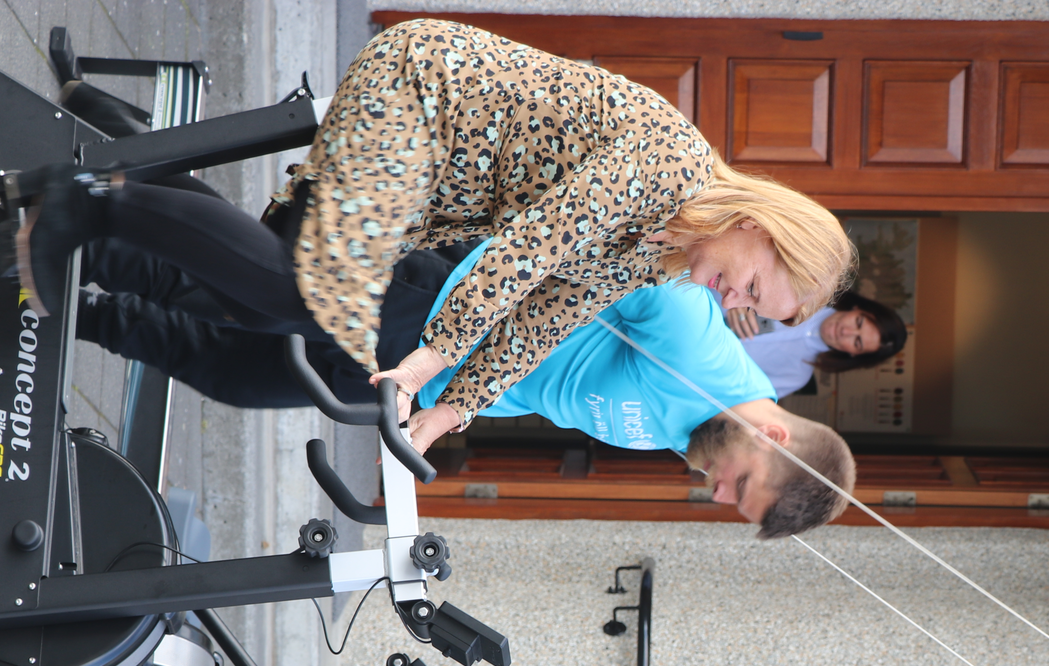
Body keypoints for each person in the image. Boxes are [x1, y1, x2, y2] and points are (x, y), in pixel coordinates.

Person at [13, 18, 853, 436]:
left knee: (263, 302)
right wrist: (426, 361)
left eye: (753, 309)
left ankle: (117, 159)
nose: (735, 303)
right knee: (302, 294)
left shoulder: (660, 252)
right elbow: (521, 258)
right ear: (757, 225)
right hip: (424, 94)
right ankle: (85, 201)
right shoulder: (669, 170)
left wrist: (453, 410)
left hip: (430, 180)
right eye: (753, 284)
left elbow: (542, 318)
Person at [79, 238, 855, 537]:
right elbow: (581, 255)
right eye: (739, 486)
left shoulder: (694, 438)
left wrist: (452, 411)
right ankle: (71, 238)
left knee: (233, 373)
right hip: (431, 308)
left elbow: (545, 382)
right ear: (774, 436)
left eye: (730, 502)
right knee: (223, 291)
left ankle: (74, 311)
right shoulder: (691, 337)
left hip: (424, 378)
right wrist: (453, 372)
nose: (717, 492)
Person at [724, 290, 907, 399]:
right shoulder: (802, 289)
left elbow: (735, 399)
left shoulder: (796, 376)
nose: (846, 331)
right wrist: (739, 296)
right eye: (858, 322)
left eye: (857, 342)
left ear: (854, 354)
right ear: (857, 309)